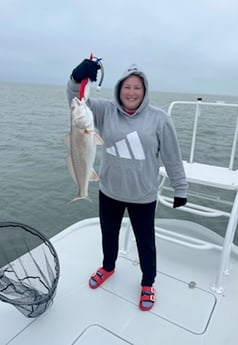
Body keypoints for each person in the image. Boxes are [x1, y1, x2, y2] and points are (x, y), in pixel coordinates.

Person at [67, 58, 188, 312]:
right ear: (119, 89)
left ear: (144, 92)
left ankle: (147, 282)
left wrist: (180, 187)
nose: (131, 92)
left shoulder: (160, 119)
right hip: (109, 190)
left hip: (143, 195)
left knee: (146, 243)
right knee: (108, 234)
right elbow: (75, 101)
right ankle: (108, 267)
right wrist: (77, 77)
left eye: (137, 87)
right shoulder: (103, 111)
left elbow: (172, 156)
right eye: (127, 87)